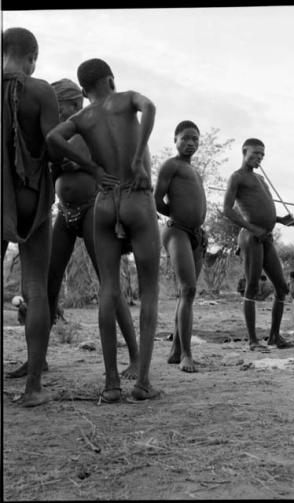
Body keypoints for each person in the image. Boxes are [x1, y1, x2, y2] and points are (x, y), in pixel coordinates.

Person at [6, 78, 140, 380]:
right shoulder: (54, 133)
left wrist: (78, 163)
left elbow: (105, 160)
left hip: (93, 208)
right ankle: (37, 359)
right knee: (48, 284)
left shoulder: (87, 127)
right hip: (64, 213)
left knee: (109, 285)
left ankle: (134, 355)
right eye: (67, 106)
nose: (64, 110)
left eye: (65, 106)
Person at [46, 58, 160, 401]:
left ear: (83, 90)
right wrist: (138, 158)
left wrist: (92, 168)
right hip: (137, 199)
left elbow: (53, 137)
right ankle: (142, 382)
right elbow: (150, 106)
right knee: (149, 290)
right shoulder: (126, 99)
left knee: (108, 289)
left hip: (105, 201)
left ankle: (111, 384)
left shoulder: (82, 117)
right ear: (111, 79)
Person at [2, 27, 60, 407]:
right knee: (36, 290)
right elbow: (54, 145)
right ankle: (34, 388)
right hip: (30, 198)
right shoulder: (41, 91)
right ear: (32, 58)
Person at [223, 138, 294, 351]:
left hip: (266, 236)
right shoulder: (236, 177)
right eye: (255, 154)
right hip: (251, 236)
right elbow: (228, 210)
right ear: (244, 152)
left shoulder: (262, 179)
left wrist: (282, 220)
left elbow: (263, 209)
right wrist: (252, 228)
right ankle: (253, 340)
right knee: (252, 286)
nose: (259, 158)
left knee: (281, 287)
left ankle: (274, 337)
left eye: (262, 155)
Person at [154, 120, 207, 373]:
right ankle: (187, 354)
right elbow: (156, 200)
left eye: (195, 139)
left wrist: (197, 226)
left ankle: (176, 349)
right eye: (185, 138)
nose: (190, 143)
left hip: (195, 234)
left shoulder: (195, 171)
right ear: (175, 139)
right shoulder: (170, 165)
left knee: (187, 293)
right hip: (177, 231)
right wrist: (177, 217)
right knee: (188, 288)